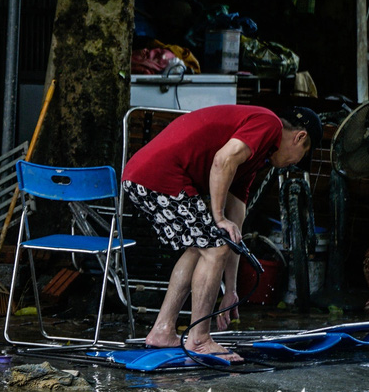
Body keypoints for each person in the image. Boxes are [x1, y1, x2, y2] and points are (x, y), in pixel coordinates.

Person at [121, 104, 322, 360]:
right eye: (300, 157)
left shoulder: (255, 157)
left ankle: (162, 330)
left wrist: (231, 290)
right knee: (213, 246)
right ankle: (199, 339)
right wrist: (217, 217)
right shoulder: (268, 123)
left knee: (202, 247)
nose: (292, 164)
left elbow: (234, 231)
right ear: (299, 137)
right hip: (159, 174)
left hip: (147, 175)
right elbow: (222, 160)